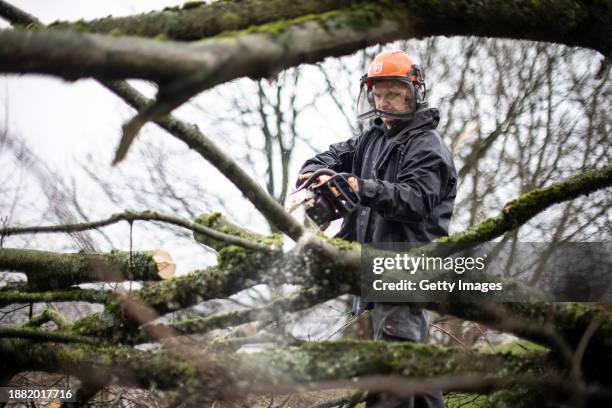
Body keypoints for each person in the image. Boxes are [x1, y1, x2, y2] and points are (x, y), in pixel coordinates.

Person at [296, 50, 457, 408]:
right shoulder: (371, 139)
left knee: (392, 371)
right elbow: (333, 156)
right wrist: (314, 172)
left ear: (413, 93)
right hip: (370, 269)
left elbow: (416, 200)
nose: (385, 102)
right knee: (412, 375)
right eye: (379, 94)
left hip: (405, 270)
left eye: (394, 94)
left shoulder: (426, 147)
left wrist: (359, 187)